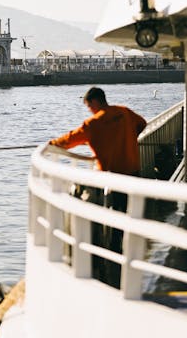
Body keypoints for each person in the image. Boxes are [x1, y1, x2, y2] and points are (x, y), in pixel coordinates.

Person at [49, 87, 147, 287]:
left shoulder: (93, 123)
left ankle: (114, 254)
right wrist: (127, 140)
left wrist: (51, 143)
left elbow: (69, 140)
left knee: (115, 214)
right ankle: (131, 249)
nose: (89, 111)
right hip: (133, 171)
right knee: (133, 213)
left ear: (93, 102)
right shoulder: (124, 112)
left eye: (88, 106)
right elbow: (142, 124)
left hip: (113, 176)